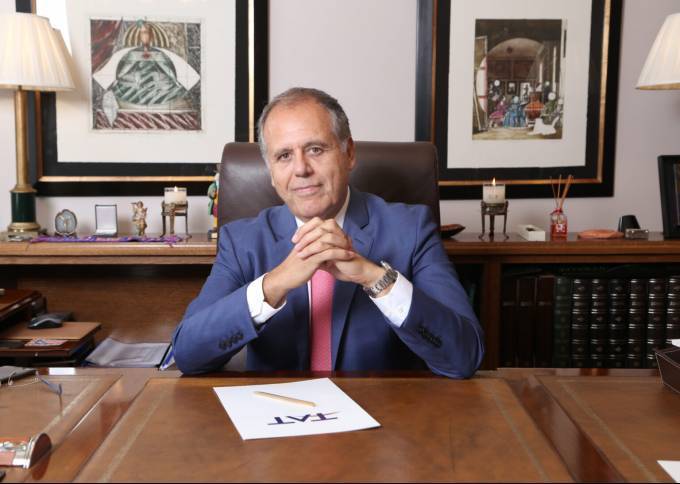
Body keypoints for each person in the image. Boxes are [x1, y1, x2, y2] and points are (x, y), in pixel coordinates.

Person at [172, 87, 484, 378]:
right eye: (284, 156)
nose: (301, 169)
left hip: (382, 412)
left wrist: (373, 277)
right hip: (278, 413)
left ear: (349, 153)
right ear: (271, 173)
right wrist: (274, 284)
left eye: (316, 149)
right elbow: (187, 354)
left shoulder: (411, 229)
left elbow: (465, 357)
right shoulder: (243, 242)